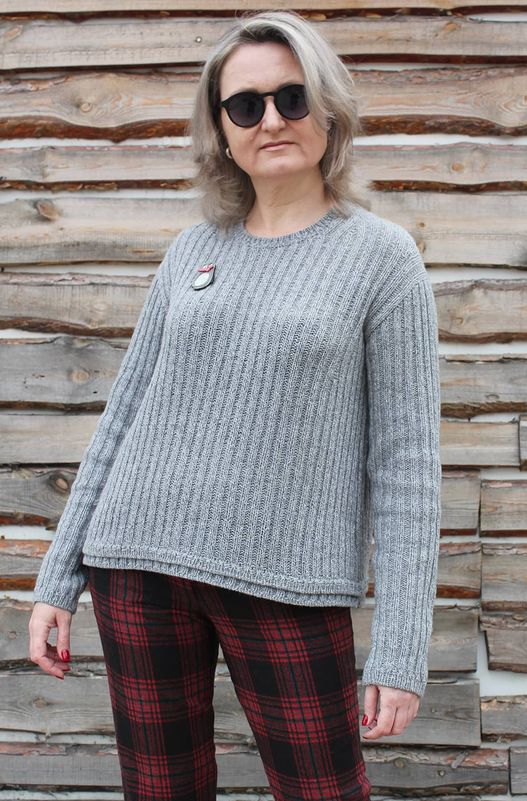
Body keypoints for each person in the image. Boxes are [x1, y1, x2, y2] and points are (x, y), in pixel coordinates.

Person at [28, 9, 442, 801]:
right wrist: (58, 577)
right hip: (138, 564)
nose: (271, 120)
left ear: (328, 109)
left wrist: (400, 646)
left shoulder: (382, 258)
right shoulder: (192, 250)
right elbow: (125, 416)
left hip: (290, 579)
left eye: (292, 97)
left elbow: (407, 461)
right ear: (221, 130)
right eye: (245, 106)